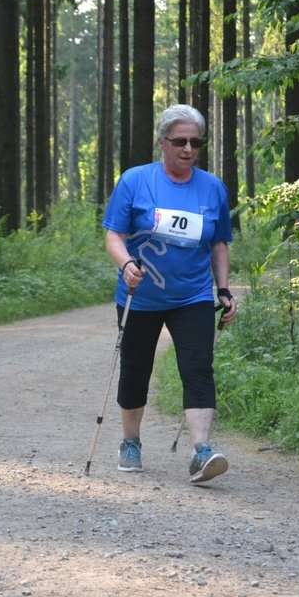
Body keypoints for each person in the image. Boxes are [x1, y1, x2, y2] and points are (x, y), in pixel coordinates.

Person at [102, 104, 237, 484]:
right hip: (140, 295)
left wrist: (223, 289)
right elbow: (114, 234)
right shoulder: (135, 181)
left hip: (192, 296)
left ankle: (202, 452)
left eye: (196, 142)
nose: (188, 149)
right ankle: (131, 441)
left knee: (197, 367)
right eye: (180, 141)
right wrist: (126, 264)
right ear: (162, 142)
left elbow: (219, 243)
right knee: (136, 369)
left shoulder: (212, 187)